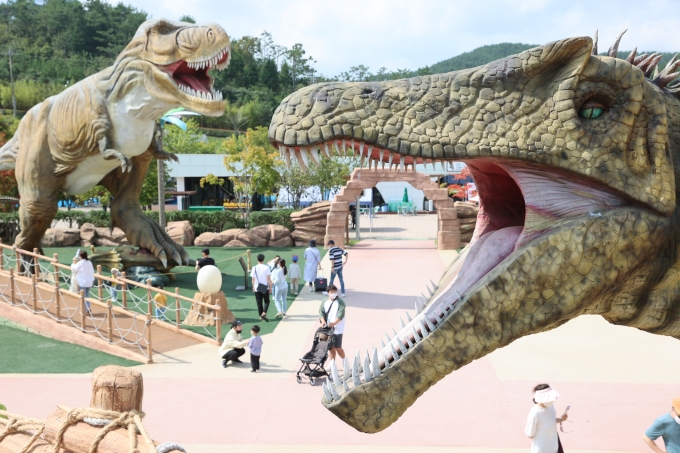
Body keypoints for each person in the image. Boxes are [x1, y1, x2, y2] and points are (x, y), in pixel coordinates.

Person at [525, 384, 568, 453]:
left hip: (554, 448)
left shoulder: (550, 406)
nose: (552, 400)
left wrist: (561, 419)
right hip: (541, 450)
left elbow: (550, 421)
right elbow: (529, 434)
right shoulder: (535, 412)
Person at [318, 284, 346, 365]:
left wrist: (334, 323)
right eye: (332, 292)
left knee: (338, 347)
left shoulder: (340, 302)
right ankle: (332, 364)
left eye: (335, 292)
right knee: (330, 347)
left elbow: (340, 315)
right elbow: (321, 313)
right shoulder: (324, 302)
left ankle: (344, 362)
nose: (333, 293)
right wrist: (323, 321)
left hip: (338, 328)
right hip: (328, 329)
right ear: (328, 293)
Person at [250, 253, 272, 322]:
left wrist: (253, 286)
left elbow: (253, 279)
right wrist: (270, 286)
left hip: (257, 286)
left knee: (259, 302)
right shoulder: (266, 267)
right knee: (267, 301)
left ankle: (261, 315)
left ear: (257, 259)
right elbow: (268, 278)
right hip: (264, 286)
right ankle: (264, 313)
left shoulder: (254, 267)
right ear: (263, 259)